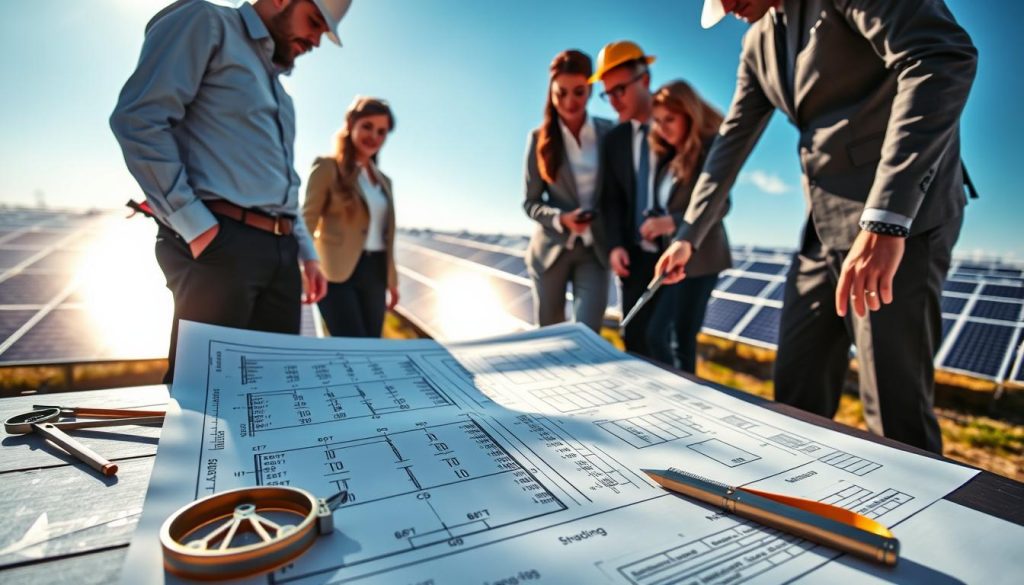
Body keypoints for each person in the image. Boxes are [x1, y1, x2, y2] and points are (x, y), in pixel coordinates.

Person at [656, 0, 977, 453]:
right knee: (795, 394)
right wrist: (689, 234)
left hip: (900, 223)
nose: (726, 8)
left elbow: (940, 58)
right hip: (822, 227)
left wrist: (886, 221)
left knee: (893, 410)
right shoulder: (756, 42)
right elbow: (732, 139)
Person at [110, 0, 351, 381]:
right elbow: (140, 119)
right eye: (316, 21)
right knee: (204, 400)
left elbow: (284, 180)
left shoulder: (281, 96)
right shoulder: (206, 22)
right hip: (222, 246)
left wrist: (306, 253)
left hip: (281, 253)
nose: (317, 40)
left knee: (276, 390)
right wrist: (196, 226)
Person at [523, 50, 614, 333]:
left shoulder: (608, 132)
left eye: (579, 92)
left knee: (587, 334)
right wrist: (562, 218)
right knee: (549, 337)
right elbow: (531, 203)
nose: (569, 102)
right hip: (551, 251)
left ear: (590, 89)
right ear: (550, 91)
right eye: (561, 93)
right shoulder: (539, 139)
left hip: (595, 251)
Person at [645, 81, 732, 373]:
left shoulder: (709, 151)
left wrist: (669, 222)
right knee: (661, 336)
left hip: (701, 260)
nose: (662, 128)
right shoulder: (669, 157)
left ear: (689, 114)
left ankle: (684, 401)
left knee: (677, 338)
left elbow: (721, 204)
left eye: (669, 119)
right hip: (675, 260)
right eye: (657, 121)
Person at [592, 40, 666, 359]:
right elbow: (610, 199)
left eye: (619, 90)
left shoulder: (677, 122)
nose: (613, 101)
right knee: (635, 341)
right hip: (634, 258)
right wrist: (615, 245)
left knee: (671, 346)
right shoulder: (614, 140)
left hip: (680, 256)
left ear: (645, 80)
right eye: (607, 93)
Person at [302, 97, 399, 337]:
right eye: (367, 126)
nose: (374, 136)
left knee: (372, 345)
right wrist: (306, 265)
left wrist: (392, 280)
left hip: (375, 273)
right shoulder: (327, 167)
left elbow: (386, 236)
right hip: (334, 272)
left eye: (381, 132)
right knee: (352, 345)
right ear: (351, 124)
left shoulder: (385, 182)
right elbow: (307, 219)